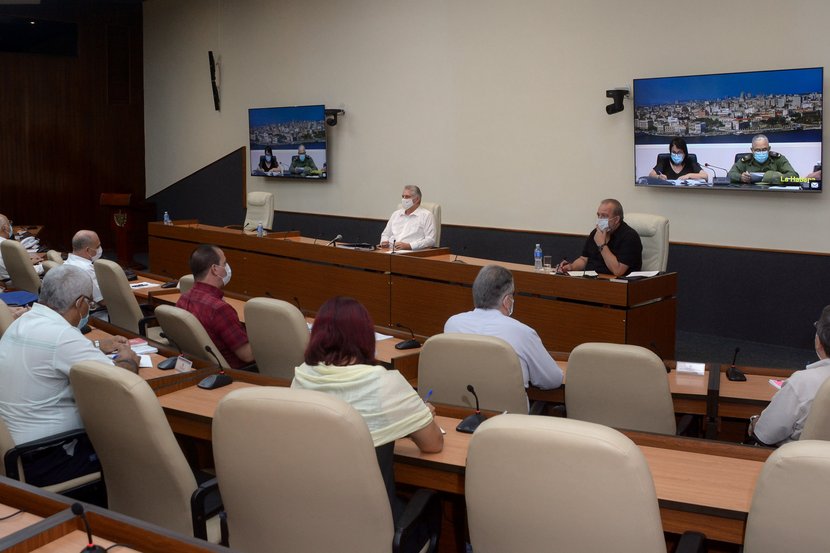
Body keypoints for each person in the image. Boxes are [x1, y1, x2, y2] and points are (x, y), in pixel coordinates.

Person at [0, 264, 139, 486]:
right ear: (80, 303)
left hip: (12, 455)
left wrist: (94, 345)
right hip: (47, 459)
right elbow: (120, 387)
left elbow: (55, 350)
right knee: (135, 454)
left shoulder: (22, 322)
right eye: (90, 304)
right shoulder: (62, 336)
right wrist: (128, 358)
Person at [292, 296, 443, 452]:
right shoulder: (386, 382)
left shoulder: (302, 374)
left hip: (310, 475)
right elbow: (433, 444)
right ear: (366, 336)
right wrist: (418, 418)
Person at [444, 265, 563, 390]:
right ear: (507, 301)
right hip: (509, 410)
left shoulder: (452, 324)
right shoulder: (522, 333)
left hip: (461, 407)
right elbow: (552, 380)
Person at [751, 305, 830, 446]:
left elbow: (765, 435)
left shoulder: (802, 383)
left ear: (819, 340)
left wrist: (755, 421)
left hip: (798, 465)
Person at [175, 245, 254, 369]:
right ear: (215, 269)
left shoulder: (183, 299)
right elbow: (247, 355)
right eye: (225, 263)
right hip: (235, 374)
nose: (227, 268)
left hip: (200, 367)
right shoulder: (220, 309)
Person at [555, 199, 642, 277]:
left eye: (604, 216)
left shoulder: (630, 237)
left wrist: (601, 245)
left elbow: (618, 271)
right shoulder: (595, 233)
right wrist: (571, 266)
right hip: (592, 279)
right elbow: (584, 259)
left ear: (616, 220)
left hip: (616, 285)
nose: (600, 219)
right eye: (598, 215)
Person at [379, 185, 436, 251]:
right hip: (390, 251)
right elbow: (386, 234)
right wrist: (384, 241)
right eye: (403, 196)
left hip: (411, 254)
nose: (404, 199)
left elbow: (430, 240)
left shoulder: (427, 215)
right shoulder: (396, 214)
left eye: (407, 197)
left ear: (417, 199)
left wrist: (409, 246)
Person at [727, 134, 799, 184]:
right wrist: (740, 177)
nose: (761, 152)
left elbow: (794, 176)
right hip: (750, 195)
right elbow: (729, 175)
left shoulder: (778, 159)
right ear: (752, 150)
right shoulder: (745, 161)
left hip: (775, 195)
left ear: (769, 149)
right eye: (758, 150)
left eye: (764, 149)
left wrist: (778, 177)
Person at [64, 230, 105, 306]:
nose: (100, 249)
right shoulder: (86, 269)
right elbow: (102, 301)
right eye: (98, 246)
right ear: (88, 250)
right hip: (94, 313)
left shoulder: (66, 263)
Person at [0, 213, 44, 282]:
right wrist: (46, 266)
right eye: (9, 223)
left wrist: (28, 263)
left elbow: (7, 267)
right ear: (5, 228)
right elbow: (25, 272)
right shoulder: (8, 246)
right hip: (15, 285)